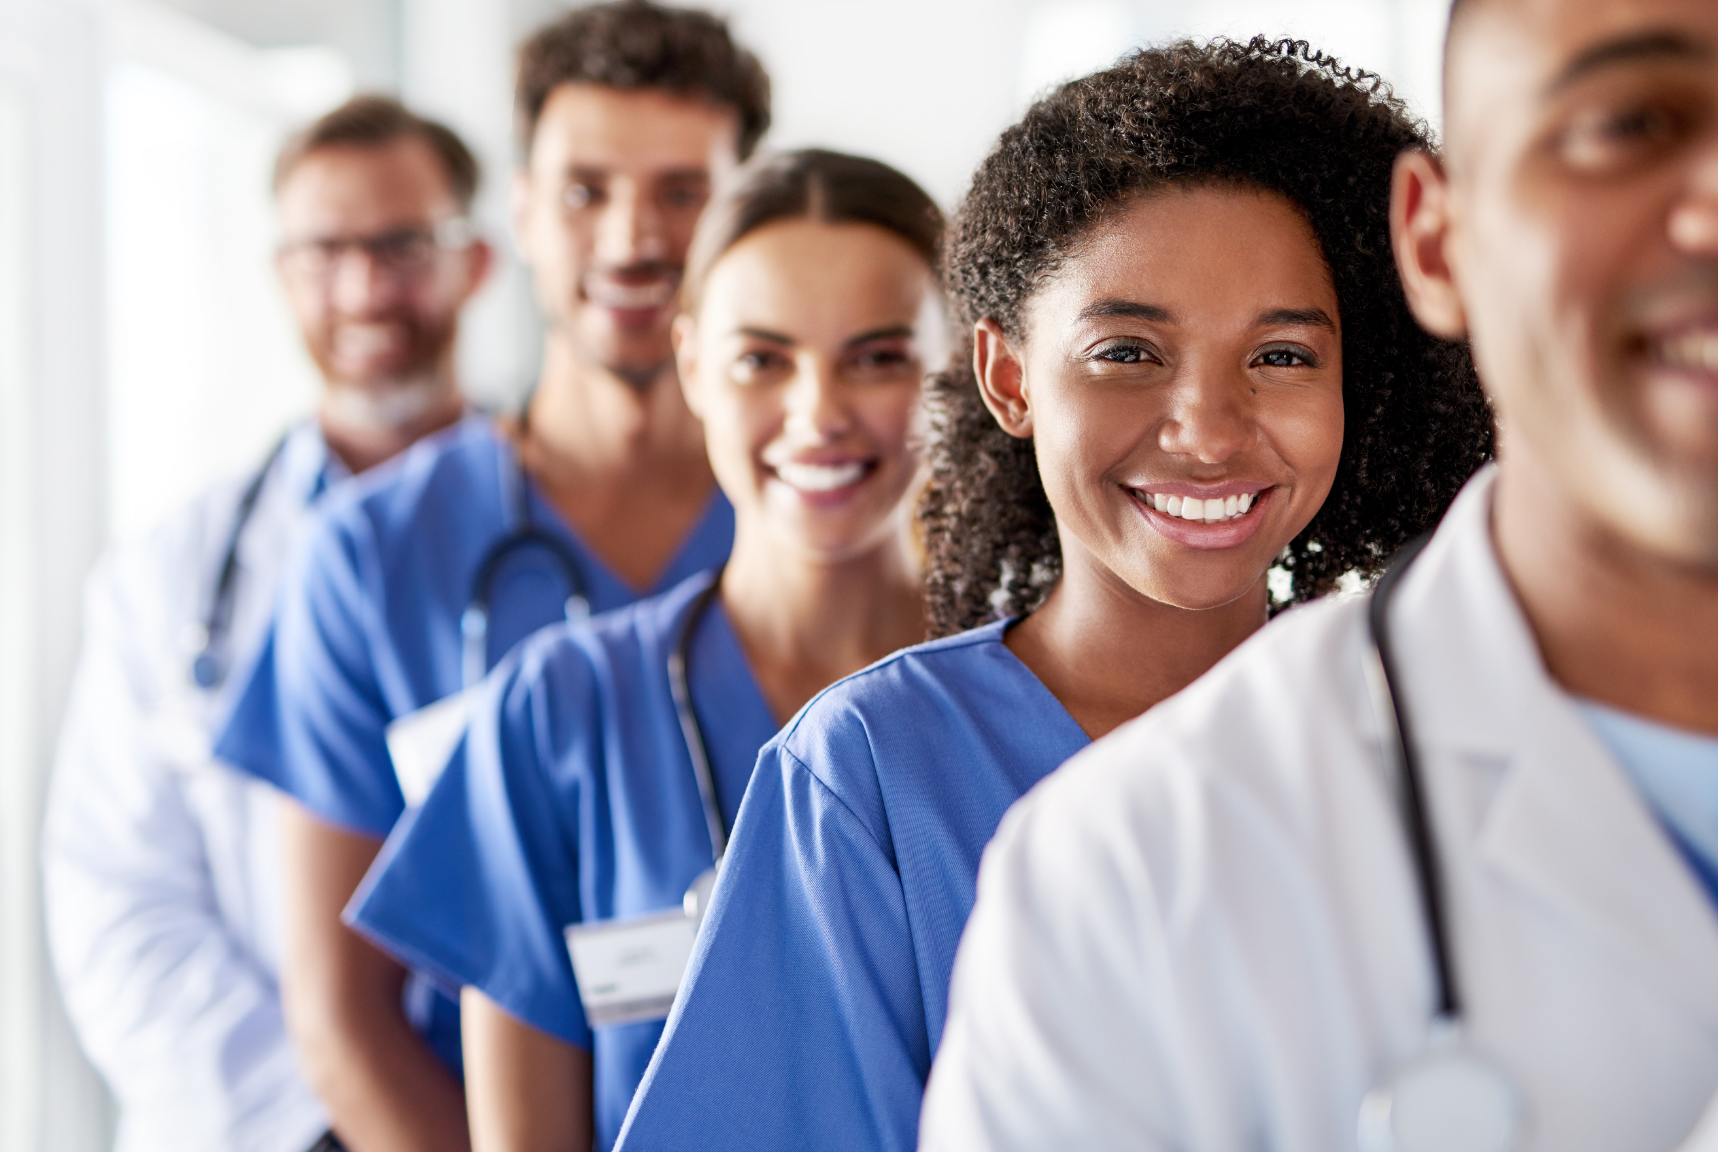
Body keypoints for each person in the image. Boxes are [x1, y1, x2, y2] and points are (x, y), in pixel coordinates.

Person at [619, 38, 1495, 1152]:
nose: (1208, 431)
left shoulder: (1421, 742)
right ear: (1008, 376)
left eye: (1279, 358)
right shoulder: (869, 781)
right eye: (1126, 351)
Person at [920, 3, 1718, 1150]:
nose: (1203, 430)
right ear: (1438, 243)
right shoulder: (1134, 878)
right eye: (1625, 123)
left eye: (1280, 354)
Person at [211, 5, 770, 1150]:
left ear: (746, 215)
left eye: (682, 190)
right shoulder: (373, 557)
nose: (630, 238)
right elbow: (342, 1017)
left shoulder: (829, 528)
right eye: (583, 191)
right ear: (516, 214)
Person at [349, 149, 944, 1152]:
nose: (818, 413)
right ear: (690, 366)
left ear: (964, 369)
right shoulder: (556, 712)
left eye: (878, 357)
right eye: (762, 358)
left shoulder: (1028, 700)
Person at [43, 95, 490, 1152]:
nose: (364, 287)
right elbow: (119, 900)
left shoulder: (551, 538)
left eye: (402, 245)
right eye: (323, 250)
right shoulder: (170, 575)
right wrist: (331, 1112)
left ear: (476, 260)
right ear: (279, 273)